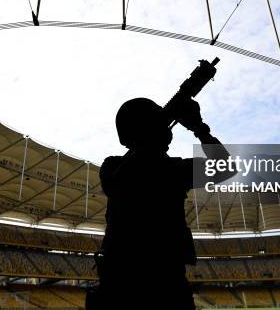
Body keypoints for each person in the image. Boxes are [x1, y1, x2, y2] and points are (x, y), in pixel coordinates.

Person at [87, 97, 234, 309]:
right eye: (158, 122)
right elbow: (122, 181)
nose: (167, 128)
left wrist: (199, 128)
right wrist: (196, 129)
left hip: (158, 283)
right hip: (129, 285)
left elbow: (226, 168)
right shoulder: (116, 166)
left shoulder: (172, 169)